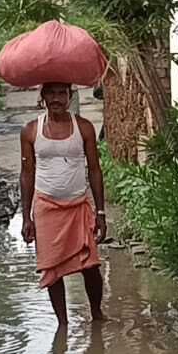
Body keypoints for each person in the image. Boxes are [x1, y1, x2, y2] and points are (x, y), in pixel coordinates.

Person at [19, 82, 108, 327]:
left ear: (70, 97)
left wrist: (100, 212)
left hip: (79, 205)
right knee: (52, 269)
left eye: (62, 93)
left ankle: (97, 314)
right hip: (46, 208)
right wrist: (26, 216)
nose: (56, 98)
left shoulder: (85, 128)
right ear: (43, 96)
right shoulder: (30, 131)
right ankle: (63, 324)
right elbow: (27, 174)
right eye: (52, 93)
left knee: (90, 264)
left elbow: (95, 170)